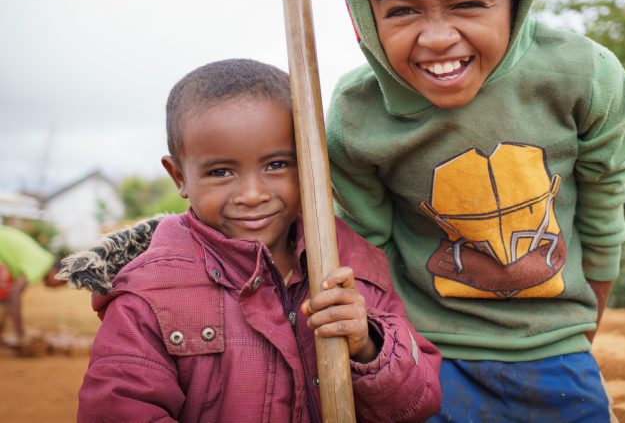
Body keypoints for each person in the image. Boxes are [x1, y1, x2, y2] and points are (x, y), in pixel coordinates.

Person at [325, 0, 625, 420]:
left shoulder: (584, 78)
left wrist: (579, 338)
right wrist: (392, 355)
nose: (437, 37)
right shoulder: (358, 114)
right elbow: (364, 251)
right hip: (427, 355)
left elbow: (603, 215)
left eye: (468, 3)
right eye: (401, 11)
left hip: (557, 351)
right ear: (365, 11)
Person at [60, 59, 441, 422]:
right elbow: (117, 410)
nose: (253, 194)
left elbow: (417, 403)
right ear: (179, 177)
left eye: (277, 165)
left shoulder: (351, 264)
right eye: (221, 172)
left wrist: (367, 345)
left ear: (309, 162)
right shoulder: (149, 291)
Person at [0, 224, 66, 346]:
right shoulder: (40, 264)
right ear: (55, 273)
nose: (57, 287)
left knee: (4, 296)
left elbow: (8, 299)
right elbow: (14, 295)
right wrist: (21, 335)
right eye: (61, 283)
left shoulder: (42, 258)